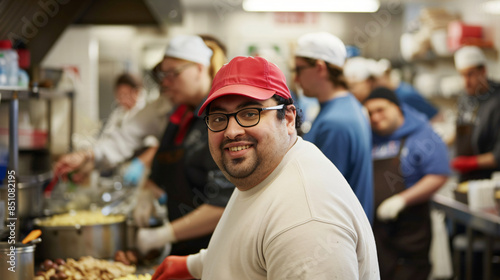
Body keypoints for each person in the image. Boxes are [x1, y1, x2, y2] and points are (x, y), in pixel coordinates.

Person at [150, 56, 379, 280]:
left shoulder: (305, 219)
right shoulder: (263, 173)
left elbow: (287, 240)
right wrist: (195, 265)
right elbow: (254, 244)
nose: (231, 132)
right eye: (219, 118)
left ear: (288, 119)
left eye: (250, 114)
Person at [131, 34, 235, 257]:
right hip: (182, 251)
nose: (165, 82)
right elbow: (160, 171)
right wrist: (147, 191)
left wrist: (164, 234)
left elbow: (224, 202)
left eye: (173, 74)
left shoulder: (221, 119)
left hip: (213, 254)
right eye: (162, 74)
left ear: (199, 68)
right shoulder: (179, 116)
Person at [363, 87, 450, 280]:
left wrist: (402, 200)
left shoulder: (422, 134)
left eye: (381, 110)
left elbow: (439, 174)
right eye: (370, 113)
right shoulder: (368, 136)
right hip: (377, 233)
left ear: (397, 107)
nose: (376, 117)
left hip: (411, 232)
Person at [293, 32, 374, 223]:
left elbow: (321, 196)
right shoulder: (345, 107)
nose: (296, 79)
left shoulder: (335, 123)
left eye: (299, 69)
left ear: (320, 68)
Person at [451, 46, 500, 182]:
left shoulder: (497, 100)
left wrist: (469, 163)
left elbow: (498, 155)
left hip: (492, 181)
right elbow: (461, 129)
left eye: (470, 74)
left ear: (483, 71)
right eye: (461, 75)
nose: (465, 82)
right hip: (467, 179)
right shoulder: (465, 98)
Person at [100, 73, 159, 185]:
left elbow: (154, 146)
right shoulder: (118, 113)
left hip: (138, 174)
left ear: (136, 92)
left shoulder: (145, 114)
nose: (122, 99)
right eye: (120, 95)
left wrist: (138, 164)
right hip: (116, 168)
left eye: (126, 94)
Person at [344, 56, 439, 121]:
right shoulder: (371, 101)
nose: (351, 92)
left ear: (369, 82)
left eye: (353, 86)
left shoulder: (405, 95)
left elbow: (436, 118)